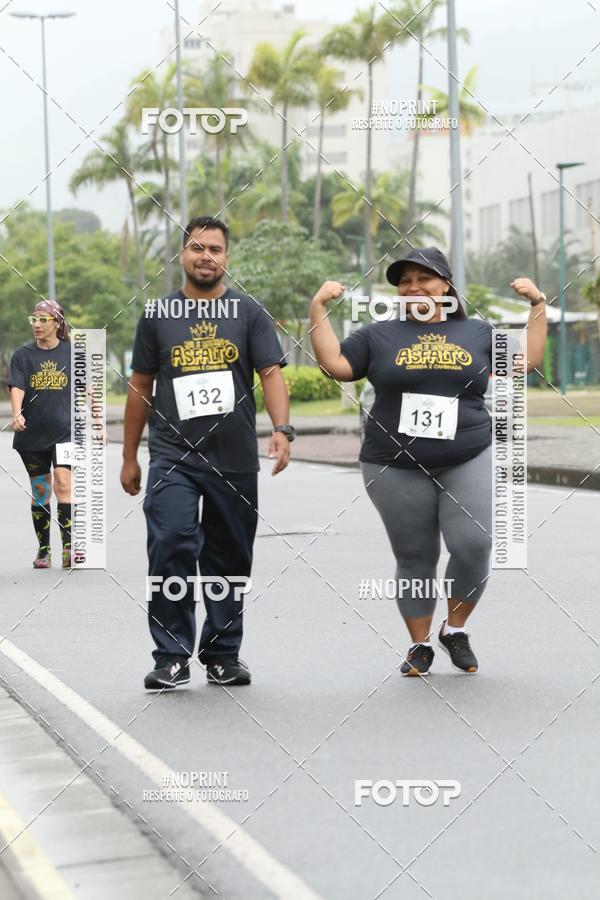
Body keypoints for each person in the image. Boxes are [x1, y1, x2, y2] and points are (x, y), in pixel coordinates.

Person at [310, 246, 547, 676]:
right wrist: (318, 307)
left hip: (467, 453)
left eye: (424, 279)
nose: (413, 287)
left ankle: (454, 630)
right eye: (404, 282)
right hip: (392, 462)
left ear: (446, 286)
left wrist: (537, 305)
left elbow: (526, 361)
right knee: (415, 555)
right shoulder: (377, 335)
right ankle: (418, 644)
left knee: (474, 545)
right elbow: (335, 365)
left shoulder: (476, 332)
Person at [120, 215, 294, 691]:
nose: (206, 256)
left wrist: (282, 429)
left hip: (234, 458)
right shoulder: (158, 315)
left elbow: (271, 373)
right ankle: (171, 655)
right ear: (182, 254)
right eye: (197, 248)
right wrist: (130, 455)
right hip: (173, 456)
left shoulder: (248, 313)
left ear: (226, 257)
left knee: (230, 557)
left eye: (215, 249)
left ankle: (221, 653)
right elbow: (140, 387)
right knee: (172, 544)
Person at [9, 300, 73, 569]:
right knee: (41, 490)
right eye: (34, 319)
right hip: (32, 435)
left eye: (43, 320)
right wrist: (16, 413)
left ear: (57, 323)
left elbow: (89, 388)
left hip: (65, 432)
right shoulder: (23, 355)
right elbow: (18, 386)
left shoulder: (73, 353)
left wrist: (99, 423)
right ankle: (44, 549)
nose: (37, 324)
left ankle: (69, 547)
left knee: (63, 482)